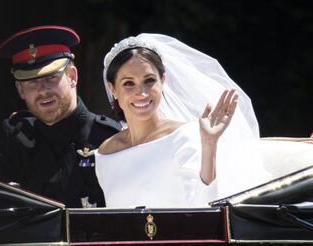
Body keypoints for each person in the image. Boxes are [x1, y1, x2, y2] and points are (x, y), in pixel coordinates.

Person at [0, 26, 121, 208]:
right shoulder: (14, 137)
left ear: (72, 76)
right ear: (20, 90)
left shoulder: (108, 137)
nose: (43, 90)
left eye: (51, 78)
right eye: (32, 82)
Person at [95, 34, 270, 208]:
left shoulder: (185, 136)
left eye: (149, 81)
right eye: (128, 83)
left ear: (163, 81)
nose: (142, 93)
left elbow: (204, 207)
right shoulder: (105, 153)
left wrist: (209, 144)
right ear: (113, 89)